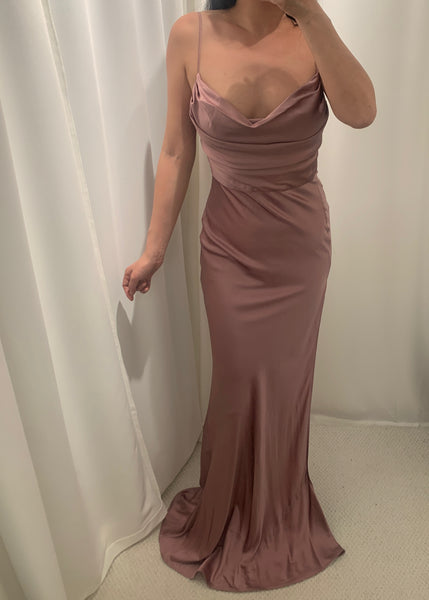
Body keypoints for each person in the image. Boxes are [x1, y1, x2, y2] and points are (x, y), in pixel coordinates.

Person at [123, 0, 376, 592]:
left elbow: (362, 112)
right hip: (229, 248)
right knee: (237, 381)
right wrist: (154, 249)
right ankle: (231, 506)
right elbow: (176, 149)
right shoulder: (190, 34)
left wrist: (312, 16)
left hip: (298, 251)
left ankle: (278, 510)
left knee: (286, 384)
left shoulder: (310, 30)